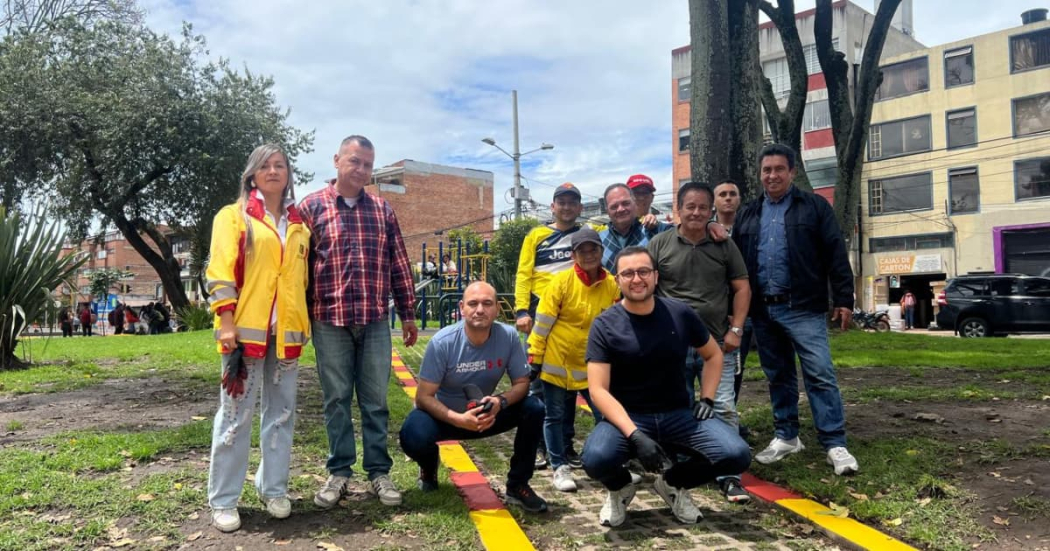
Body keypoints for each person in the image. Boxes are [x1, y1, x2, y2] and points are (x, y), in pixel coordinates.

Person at [582, 246, 751, 527]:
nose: (637, 279)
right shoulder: (605, 324)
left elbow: (713, 355)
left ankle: (672, 483)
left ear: (656, 276)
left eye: (643, 272)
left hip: (678, 414)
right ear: (617, 280)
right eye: (628, 273)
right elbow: (598, 389)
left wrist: (707, 399)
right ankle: (620, 487)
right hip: (627, 417)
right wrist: (634, 435)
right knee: (595, 459)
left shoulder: (680, 313)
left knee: (736, 454)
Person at [298, 135, 418, 509]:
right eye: (354, 162)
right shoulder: (309, 208)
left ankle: (379, 472)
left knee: (375, 400)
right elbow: (297, 271)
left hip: (374, 320)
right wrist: (298, 320)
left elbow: (398, 263)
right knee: (335, 400)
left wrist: (409, 311)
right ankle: (339, 472)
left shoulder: (382, 211)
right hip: (328, 320)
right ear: (336, 160)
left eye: (367, 164)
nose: (361, 170)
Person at [732, 143, 859, 476]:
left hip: (803, 307)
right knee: (779, 376)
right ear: (760, 175)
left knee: (820, 374)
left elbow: (835, 253)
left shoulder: (814, 207)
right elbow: (734, 260)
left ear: (791, 172)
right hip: (763, 309)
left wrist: (844, 299)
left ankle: (835, 443)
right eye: (766, 170)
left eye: (778, 169)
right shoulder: (748, 212)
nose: (772, 175)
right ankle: (787, 436)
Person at [204, 144, 311, 533]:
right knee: (235, 416)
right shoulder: (233, 218)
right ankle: (224, 499)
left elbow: (301, 281)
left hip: (287, 336)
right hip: (243, 336)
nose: (273, 171)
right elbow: (219, 272)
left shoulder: (300, 225)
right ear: (251, 174)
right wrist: (226, 320)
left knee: (281, 415)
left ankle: (274, 489)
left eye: (280, 165)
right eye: (265, 165)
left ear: (288, 174)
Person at [399, 282, 549, 512]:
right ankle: (428, 468)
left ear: (497, 308)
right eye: (473, 303)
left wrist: (500, 401)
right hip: (446, 417)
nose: (480, 309)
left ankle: (518, 484)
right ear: (461, 308)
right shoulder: (442, 342)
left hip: (486, 414)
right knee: (412, 435)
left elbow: (522, 383)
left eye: (487, 303)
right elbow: (423, 398)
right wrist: (458, 419)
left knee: (534, 407)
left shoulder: (508, 336)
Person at [647, 182, 752, 503]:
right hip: (671, 347)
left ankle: (728, 473)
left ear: (711, 211)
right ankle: (681, 470)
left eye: (702, 207)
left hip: (716, 345)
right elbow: (643, 288)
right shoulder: (659, 244)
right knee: (675, 409)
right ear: (678, 209)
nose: (696, 212)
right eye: (689, 206)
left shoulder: (724, 245)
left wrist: (736, 330)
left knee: (722, 407)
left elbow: (742, 288)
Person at [527, 227, 619, 492]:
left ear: (601, 252)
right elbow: (542, 324)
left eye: (594, 249)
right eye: (582, 251)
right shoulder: (561, 283)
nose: (589, 255)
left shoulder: (612, 284)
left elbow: (615, 324)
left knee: (607, 415)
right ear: (573, 255)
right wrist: (534, 358)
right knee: (554, 416)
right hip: (559, 362)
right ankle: (559, 466)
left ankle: (611, 463)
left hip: (594, 365)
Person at [514, 182, 585, 469]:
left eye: (572, 202)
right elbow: (523, 274)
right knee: (536, 385)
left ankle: (564, 445)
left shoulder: (587, 236)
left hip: (572, 322)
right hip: (538, 319)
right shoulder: (536, 235)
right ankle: (540, 446)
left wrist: (648, 218)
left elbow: (625, 226)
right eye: (562, 202)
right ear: (553, 206)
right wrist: (521, 310)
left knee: (568, 387)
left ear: (579, 207)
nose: (567, 207)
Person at [712, 179, 753, 436]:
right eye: (722, 194)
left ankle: (730, 416)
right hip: (714, 311)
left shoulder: (750, 228)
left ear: (739, 199)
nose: (728, 198)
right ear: (714, 201)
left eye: (732, 194)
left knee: (736, 368)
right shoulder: (706, 229)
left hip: (742, 311)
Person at [598, 183, 672, 274]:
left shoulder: (654, 231)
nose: (620, 209)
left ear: (634, 203)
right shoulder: (598, 241)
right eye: (614, 206)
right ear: (607, 210)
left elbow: (683, 234)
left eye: (625, 203)